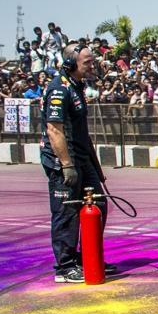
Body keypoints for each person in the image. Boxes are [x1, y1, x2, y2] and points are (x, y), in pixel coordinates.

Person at [40, 44, 109, 283]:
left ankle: (86, 257)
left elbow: (83, 132)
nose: (92, 66)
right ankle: (64, 266)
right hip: (63, 162)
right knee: (66, 212)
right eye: (87, 63)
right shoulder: (59, 89)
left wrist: (95, 166)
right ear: (70, 64)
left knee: (99, 204)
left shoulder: (77, 86)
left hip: (83, 159)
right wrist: (66, 164)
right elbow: (54, 129)